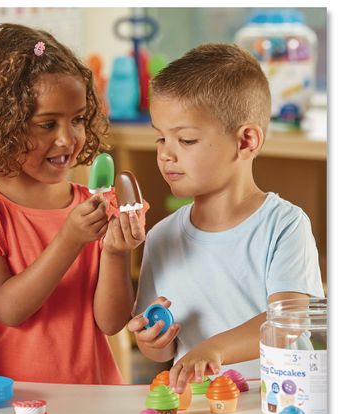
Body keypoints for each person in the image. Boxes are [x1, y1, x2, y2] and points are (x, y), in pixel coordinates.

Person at [0, 23, 147, 385]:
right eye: (47, 124)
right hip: (1, 398)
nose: (67, 138)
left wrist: (116, 253)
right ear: (1, 125)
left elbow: (111, 322)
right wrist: (70, 239)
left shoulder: (96, 207)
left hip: (88, 394)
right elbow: (9, 308)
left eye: (78, 119)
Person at [127, 43, 324, 393]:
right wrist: (153, 341)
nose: (166, 154)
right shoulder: (161, 236)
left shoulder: (284, 225)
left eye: (186, 140)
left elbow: (289, 321)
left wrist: (214, 348)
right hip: (202, 406)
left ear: (246, 141)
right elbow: (161, 350)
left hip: (279, 403)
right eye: (160, 138)